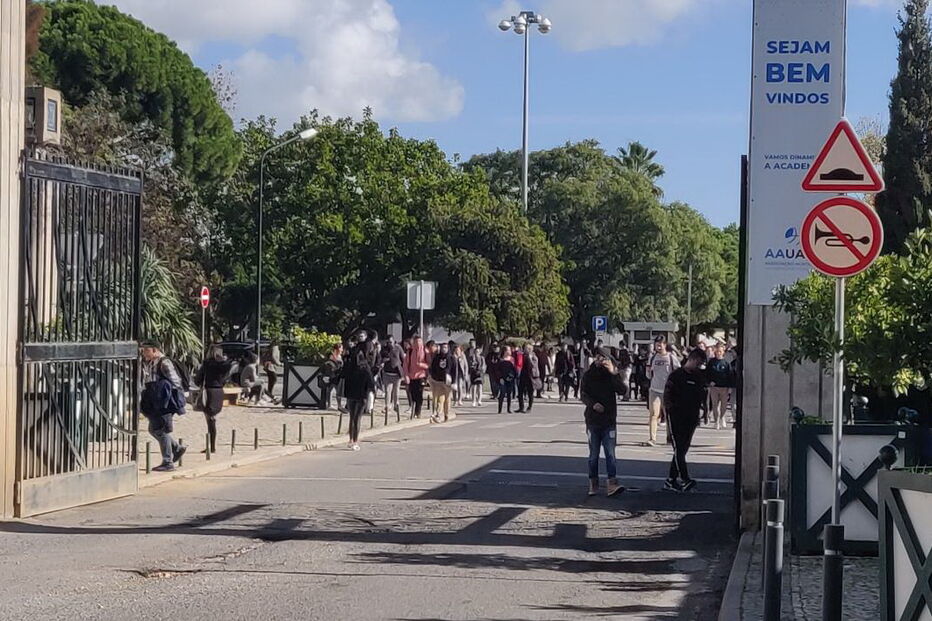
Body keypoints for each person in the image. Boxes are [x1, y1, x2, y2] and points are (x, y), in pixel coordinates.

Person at [580, 347, 627, 497]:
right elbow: (583, 394)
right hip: (593, 420)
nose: (600, 360)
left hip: (609, 420)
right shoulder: (588, 375)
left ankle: (612, 483)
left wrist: (614, 373)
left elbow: (622, 390)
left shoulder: (611, 375)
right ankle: (593, 482)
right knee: (593, 454)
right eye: (598, 357)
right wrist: (593, 404)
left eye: (604, 358)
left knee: (610, 453)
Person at [663, 349, 709, 492]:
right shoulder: (676, 376)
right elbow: (667, 396)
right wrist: (668, 412)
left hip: (692, 416)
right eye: (699, 363)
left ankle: (670, 480)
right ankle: (684, 478)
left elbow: (702, 395)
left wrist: (705, 411)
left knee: (683, 448)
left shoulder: (698, 376)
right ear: (693, 359)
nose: (699, 366)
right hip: (676, 416)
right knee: (679, 448)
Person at [140, 341, 187, 471]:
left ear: (154, 350)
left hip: (164, 402)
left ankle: (168, 462)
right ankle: (177, 448)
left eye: (146, 350)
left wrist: (164, 394)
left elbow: (176, 382)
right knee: (153, 429)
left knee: (161, 430)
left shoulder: (164, 362)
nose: (143, 353)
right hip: (154, 401)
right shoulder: (149, 362)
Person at [195, 345, 233, 454]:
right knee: (213, 419)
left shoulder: (207, 364)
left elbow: (199, 379)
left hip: (209, 390)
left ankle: (211, 446)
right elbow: (227, 377)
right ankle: (212, 446)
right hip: (219, 391)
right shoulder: (225, 365)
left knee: (209, 419)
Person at [342, 339, 376, 450]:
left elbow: (342, 377)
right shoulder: (365, 368)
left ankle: (351, 440)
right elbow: (371, 383)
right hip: (361, 395)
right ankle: (354, 441)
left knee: (353, 417)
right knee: (357, 418)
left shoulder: (350, 367)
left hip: (352, 394)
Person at [646, 337, 679, 446]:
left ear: (665, 345)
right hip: (654, 390)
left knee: (669, 415)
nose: (658, 347)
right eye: (656, 345)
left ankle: (670, 438)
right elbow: (648, 373)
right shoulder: (653, 357)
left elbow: (678, 372)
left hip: (668, 391)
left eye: (660, 345)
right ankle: (652, 438)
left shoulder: (671, 358)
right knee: (654, 414)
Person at [706, 342, 735, 429]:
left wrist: (730, 387)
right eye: (717, 351)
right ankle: (716, 421)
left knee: (724, 405)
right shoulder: (711, 362)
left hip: (724, 387)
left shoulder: (726, 363)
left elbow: (730, 375)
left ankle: (722, 417)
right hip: (714, 387)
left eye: (720, 351)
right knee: (715, 405)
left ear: (723, 352)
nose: (718, 353)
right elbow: (707, 373)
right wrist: (709, 381)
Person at [429, 341, 457, 423]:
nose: (444, 349)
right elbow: (433, 368)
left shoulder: (452, 358)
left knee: (447, 399)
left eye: (445, 347)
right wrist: (433, 376)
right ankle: (438, 413)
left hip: (448, 382)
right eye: (442, 347)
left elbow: (455, 371)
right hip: (438, 381)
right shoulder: (437, 357)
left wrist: (454, 382)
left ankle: (446, 414)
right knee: (439, 399)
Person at [403, 335, 429, 419]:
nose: (418, 343)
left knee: (419, 394)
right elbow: (405, 365)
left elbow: (429, 364)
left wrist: (421, 365)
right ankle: (413, 410)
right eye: (416, 342)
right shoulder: (410, 352)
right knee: (412, 394)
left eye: (419, 341)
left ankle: (418, 412)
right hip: (412, 377)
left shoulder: (425, 351)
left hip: (421, 376)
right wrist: (406, 376)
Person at [381, 336, 406, 418]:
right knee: (387, 391)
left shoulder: (398, 348)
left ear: (394, 341)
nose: (389, 344)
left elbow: (403, 359)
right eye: (388, 342)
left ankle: (396, 405)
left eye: (391, 342)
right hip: (387, 373)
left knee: (396, 391)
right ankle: (387, 406)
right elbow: (380, 357)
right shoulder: (384, 349)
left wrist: (403, 371)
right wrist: (383, 360)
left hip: (396, 373)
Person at [320, 342, 346, 412]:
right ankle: (332, 405)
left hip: (337, 374)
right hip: (333, 374)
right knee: (332, 389)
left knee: (335, 390)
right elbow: (331, 364)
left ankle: (336, 405)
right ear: (337, 349)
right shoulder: (333, 355)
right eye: (341, 348)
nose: (342, 350)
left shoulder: (340, 356)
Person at [518, 343, 541, 413]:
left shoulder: (534, 357)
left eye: (526, 349)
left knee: (530, 392)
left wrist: (530, 358)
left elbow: (533, 366)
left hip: (531, 377)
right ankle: (521, 407)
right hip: (523, 375)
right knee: (520, 392)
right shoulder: (524, 356)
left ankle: (529, 407)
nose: (524, 350)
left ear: (530, 350)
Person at [496, 346, 518, 414]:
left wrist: (512, 376)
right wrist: (500, 378)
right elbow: (497, 370)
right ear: (505, 351)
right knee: (502, 393)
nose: (510, 351)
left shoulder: (512, 359)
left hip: (510, 379)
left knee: (509, 394)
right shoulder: (500, 360)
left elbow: (514, 370)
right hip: (503, 379)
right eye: (508, 350)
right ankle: (500, 409)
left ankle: (509, 409)